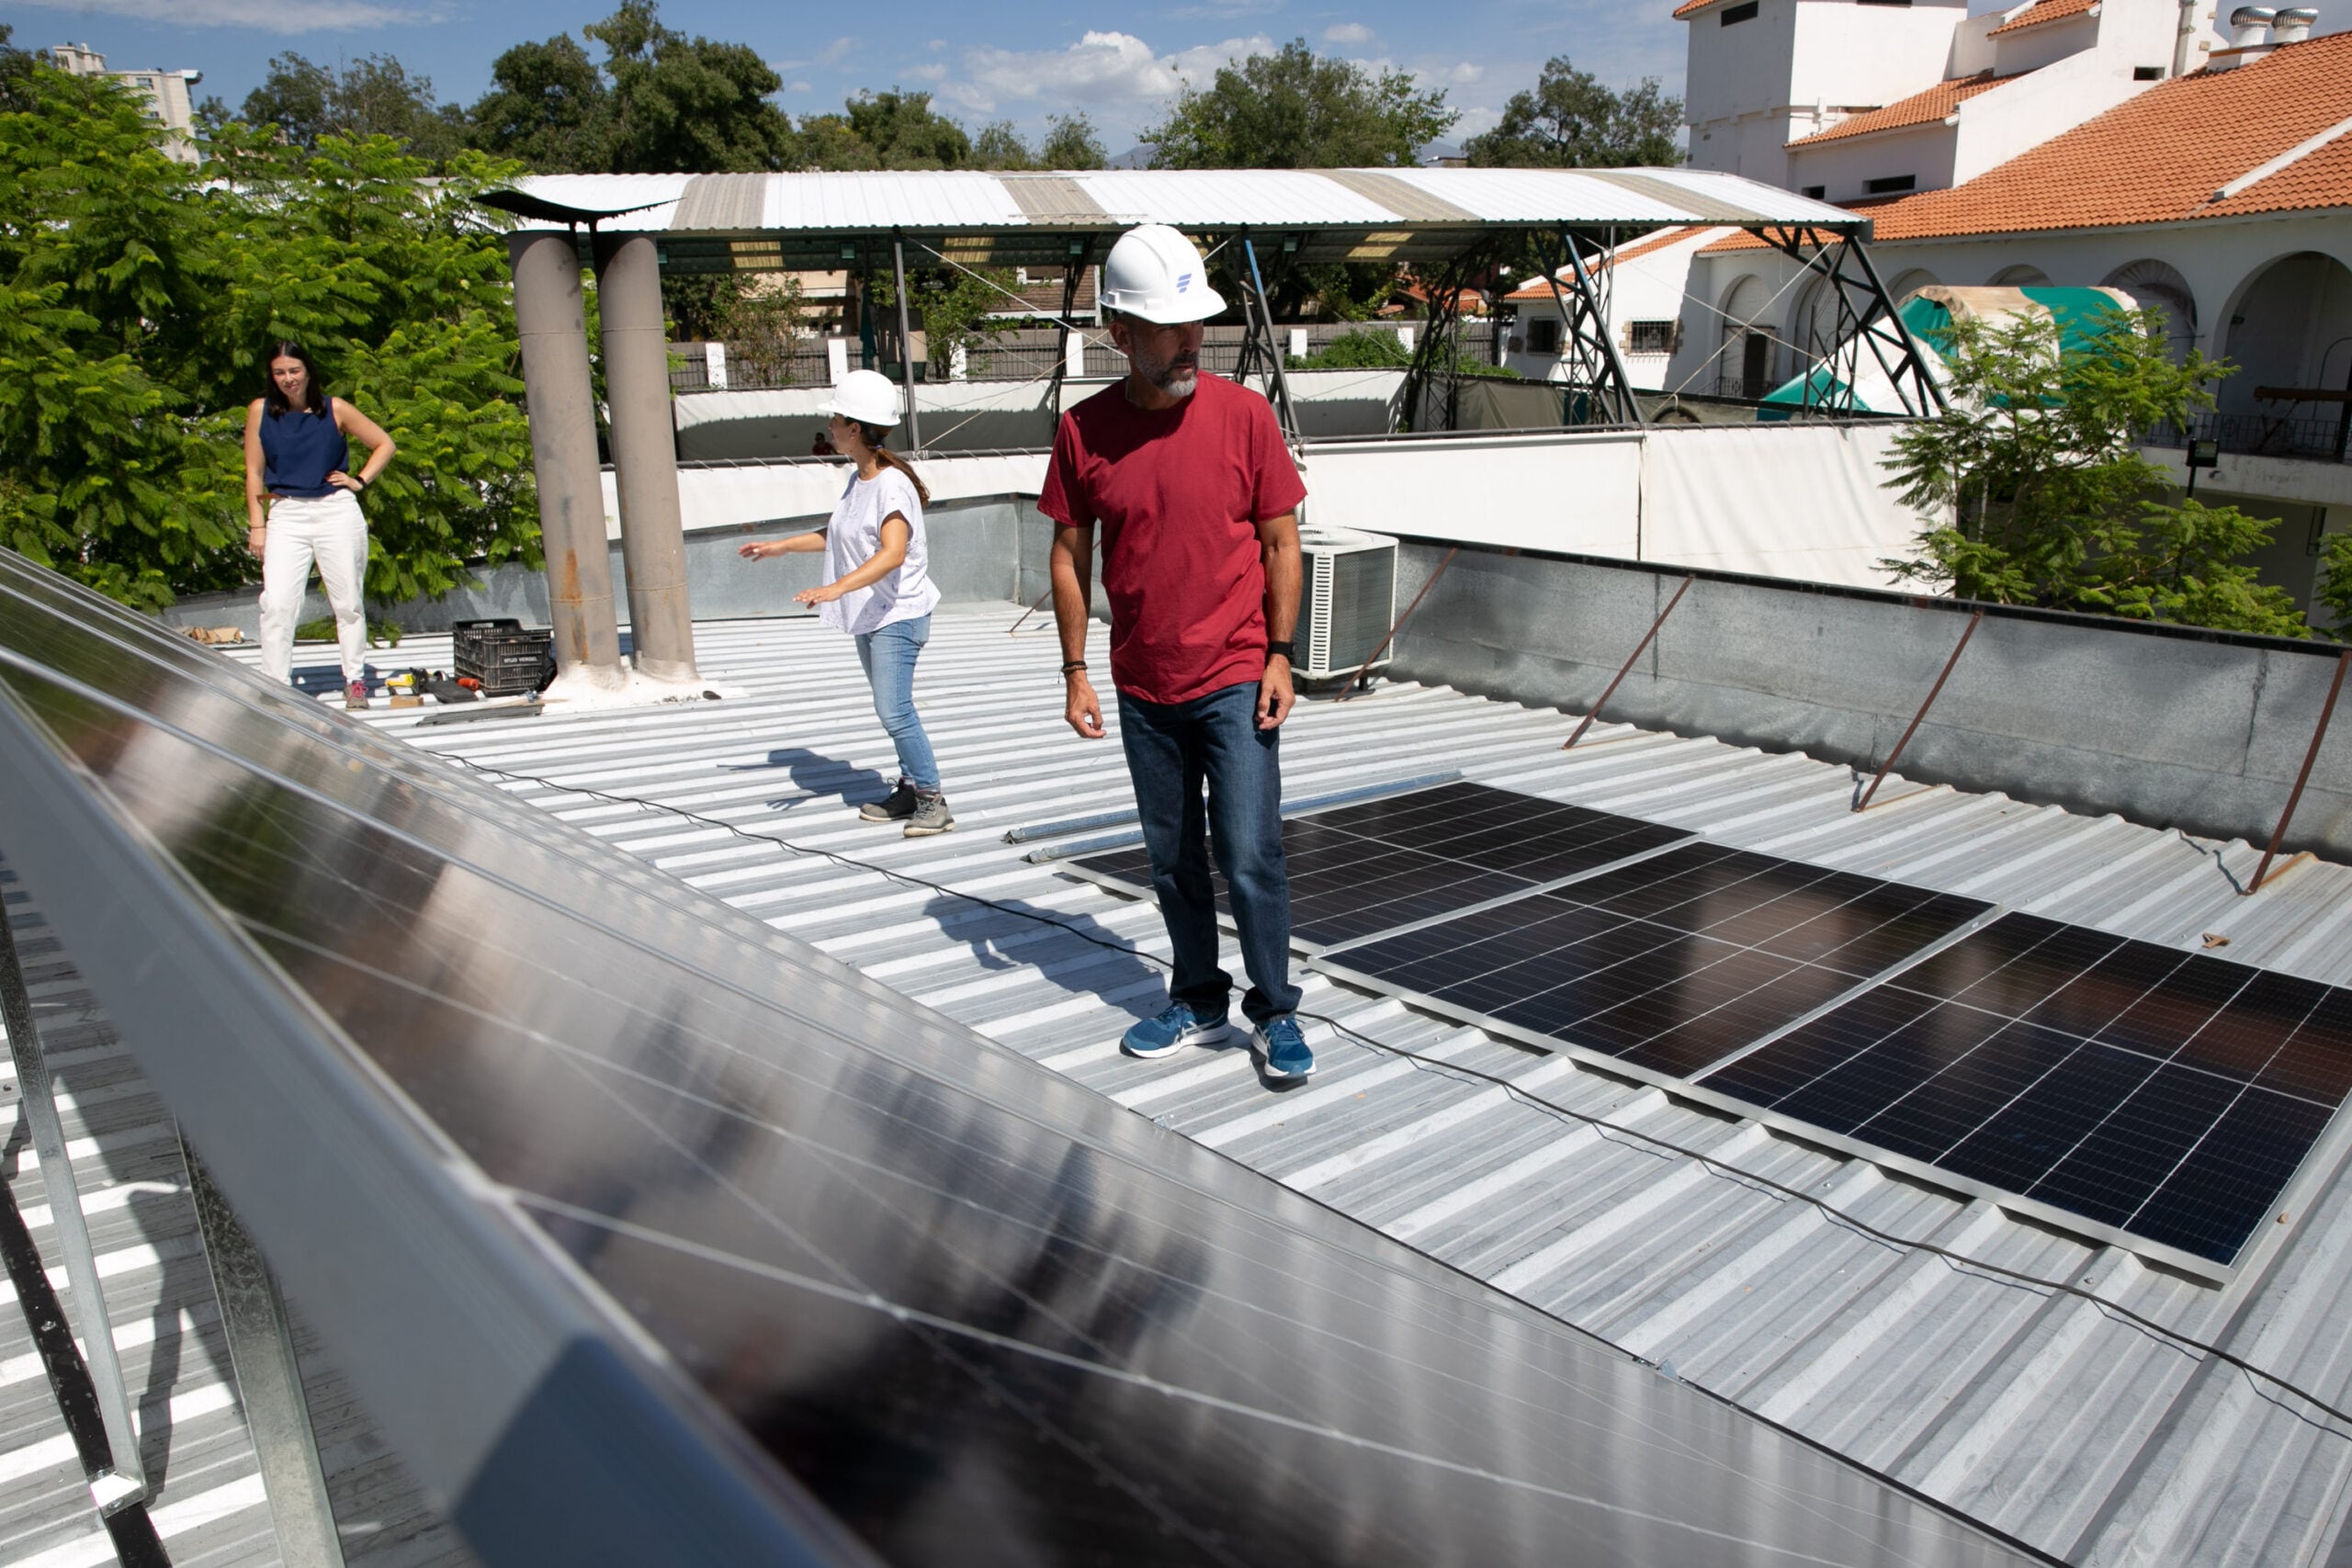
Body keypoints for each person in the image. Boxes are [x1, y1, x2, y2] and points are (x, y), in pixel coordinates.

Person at [1039, 224, 1314, 1082]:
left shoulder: (1244, 416)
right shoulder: (1084, 432)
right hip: (1141, 685)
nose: (1192, 339)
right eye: (1169, 327)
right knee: (1172, 857)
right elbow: (1066, 555)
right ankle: (1197, 994)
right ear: (1119, 332)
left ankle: (1273, 1011)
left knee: (1248, 853)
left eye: (1198, 323)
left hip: (1236, 674)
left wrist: (1280, 653)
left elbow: (1280, 541)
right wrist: (1076, 668)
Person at [740, 370, 954, 837]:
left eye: (835, 419)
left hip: (899, 614)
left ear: (854, 428)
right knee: (890, 708)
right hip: (871, 615)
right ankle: (910, 788)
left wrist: (835, 589)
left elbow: (892, 552)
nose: (830, 427)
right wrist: (779, 547)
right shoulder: (860, 481)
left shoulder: (891, 484)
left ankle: (933, 802)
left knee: (894, 710)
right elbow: (837, 536)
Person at [244, 342, 395, 709]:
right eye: (279, 372)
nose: (287, 379)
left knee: (347, 604)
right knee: (277, 603)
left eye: (293, 371)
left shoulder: (335, 409)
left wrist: (359, 480)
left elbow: (384, 444)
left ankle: (355, 681)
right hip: (286, 513)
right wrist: (257, 525)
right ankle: (275, 685)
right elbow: (254, 471)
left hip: (336, 511)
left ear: (308, 371)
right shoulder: (260, 411)